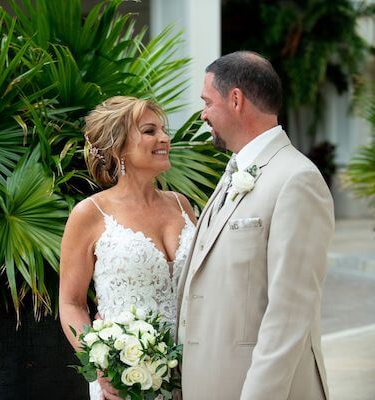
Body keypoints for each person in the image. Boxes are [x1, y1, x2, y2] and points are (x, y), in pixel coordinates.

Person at [176, 51, 334, 399]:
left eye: (207, 102)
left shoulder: (297, 179)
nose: (203, 114)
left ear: (235, 100)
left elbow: (289, 315)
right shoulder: (235, 170)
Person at [59, 96, 197, 400]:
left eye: (163, 130)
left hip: (196, 372)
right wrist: (102, 364)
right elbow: (71, 304)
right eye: (150, 131)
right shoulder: (89, 213)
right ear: (118, 146)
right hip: (127, 383)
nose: (164, 138)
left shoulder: (181, 205)